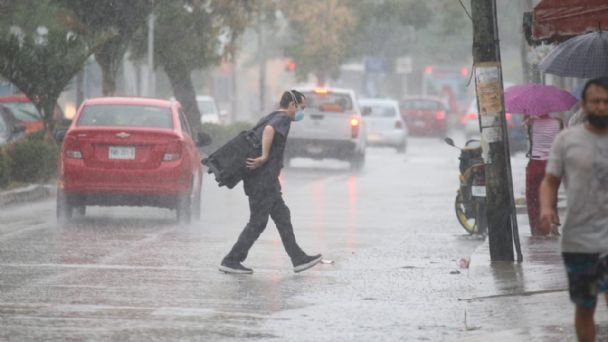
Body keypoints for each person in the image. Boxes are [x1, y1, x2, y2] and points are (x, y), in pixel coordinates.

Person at [219, 90, 322, 274]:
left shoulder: (272, 115)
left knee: (282, 216)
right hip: (262, 180)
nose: (302, 112)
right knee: (258, 222)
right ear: (292, 105)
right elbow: (269, 131)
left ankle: (298, 258)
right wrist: (265, 156)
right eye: (301, 108)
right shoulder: (282, 118)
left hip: (264, 179)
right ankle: (231, 260)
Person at [539, 77, 608, 342]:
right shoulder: (567, 140)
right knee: (585, 306)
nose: (601, 107)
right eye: (596, 102)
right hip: (579, 241)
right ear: (585, 105)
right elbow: (550, 181)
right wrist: (547, 207)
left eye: (606, 102)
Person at [523, 113, 563, 236]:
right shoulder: (558, 122)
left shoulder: (531, 122)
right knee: (552, 195)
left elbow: (529, 142)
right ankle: (554, 225)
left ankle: (537, 229)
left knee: (533, 197)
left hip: (535, 164)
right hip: (552, 164)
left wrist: (526, 119)